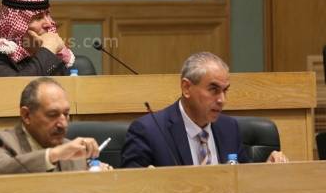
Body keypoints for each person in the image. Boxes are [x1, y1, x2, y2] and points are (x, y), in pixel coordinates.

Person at [120, 52, 288, 168]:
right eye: (213, 89)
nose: (222, 100)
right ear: (186, 88)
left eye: (225, 90)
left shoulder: (229, 128)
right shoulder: (149, 131)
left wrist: (266, 169)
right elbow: (130, 190)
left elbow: (244, 180)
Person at [0, 77, 108, 174]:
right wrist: (52, 155)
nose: (63, 124)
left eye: (66, 114)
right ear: (26, 115)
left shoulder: (74, 152)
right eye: (52, 114)